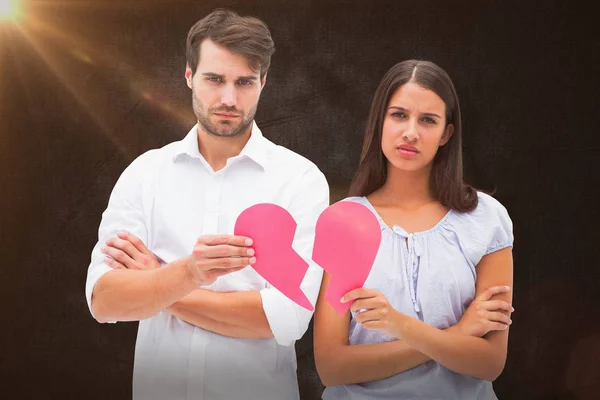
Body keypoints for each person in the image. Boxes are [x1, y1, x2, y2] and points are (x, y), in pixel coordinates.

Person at [85, 9, 329, 400]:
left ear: (263, 82)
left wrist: (159, 283)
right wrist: (189, 272)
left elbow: (287, 318)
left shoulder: (300, 182)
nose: (229, 98)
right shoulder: (145, 174)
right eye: (214, 79)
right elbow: (104, 300)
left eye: (245, 82)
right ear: (188, 76)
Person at [313, 60, 514, 399]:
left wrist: (399, 325)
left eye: (428, 120)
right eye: (399, 115)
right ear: (380, 122)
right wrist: (459, 333)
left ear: (446, 134)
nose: (411, 132)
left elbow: (489, 362)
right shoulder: (344, 223)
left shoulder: (486, 219)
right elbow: (332, 366)